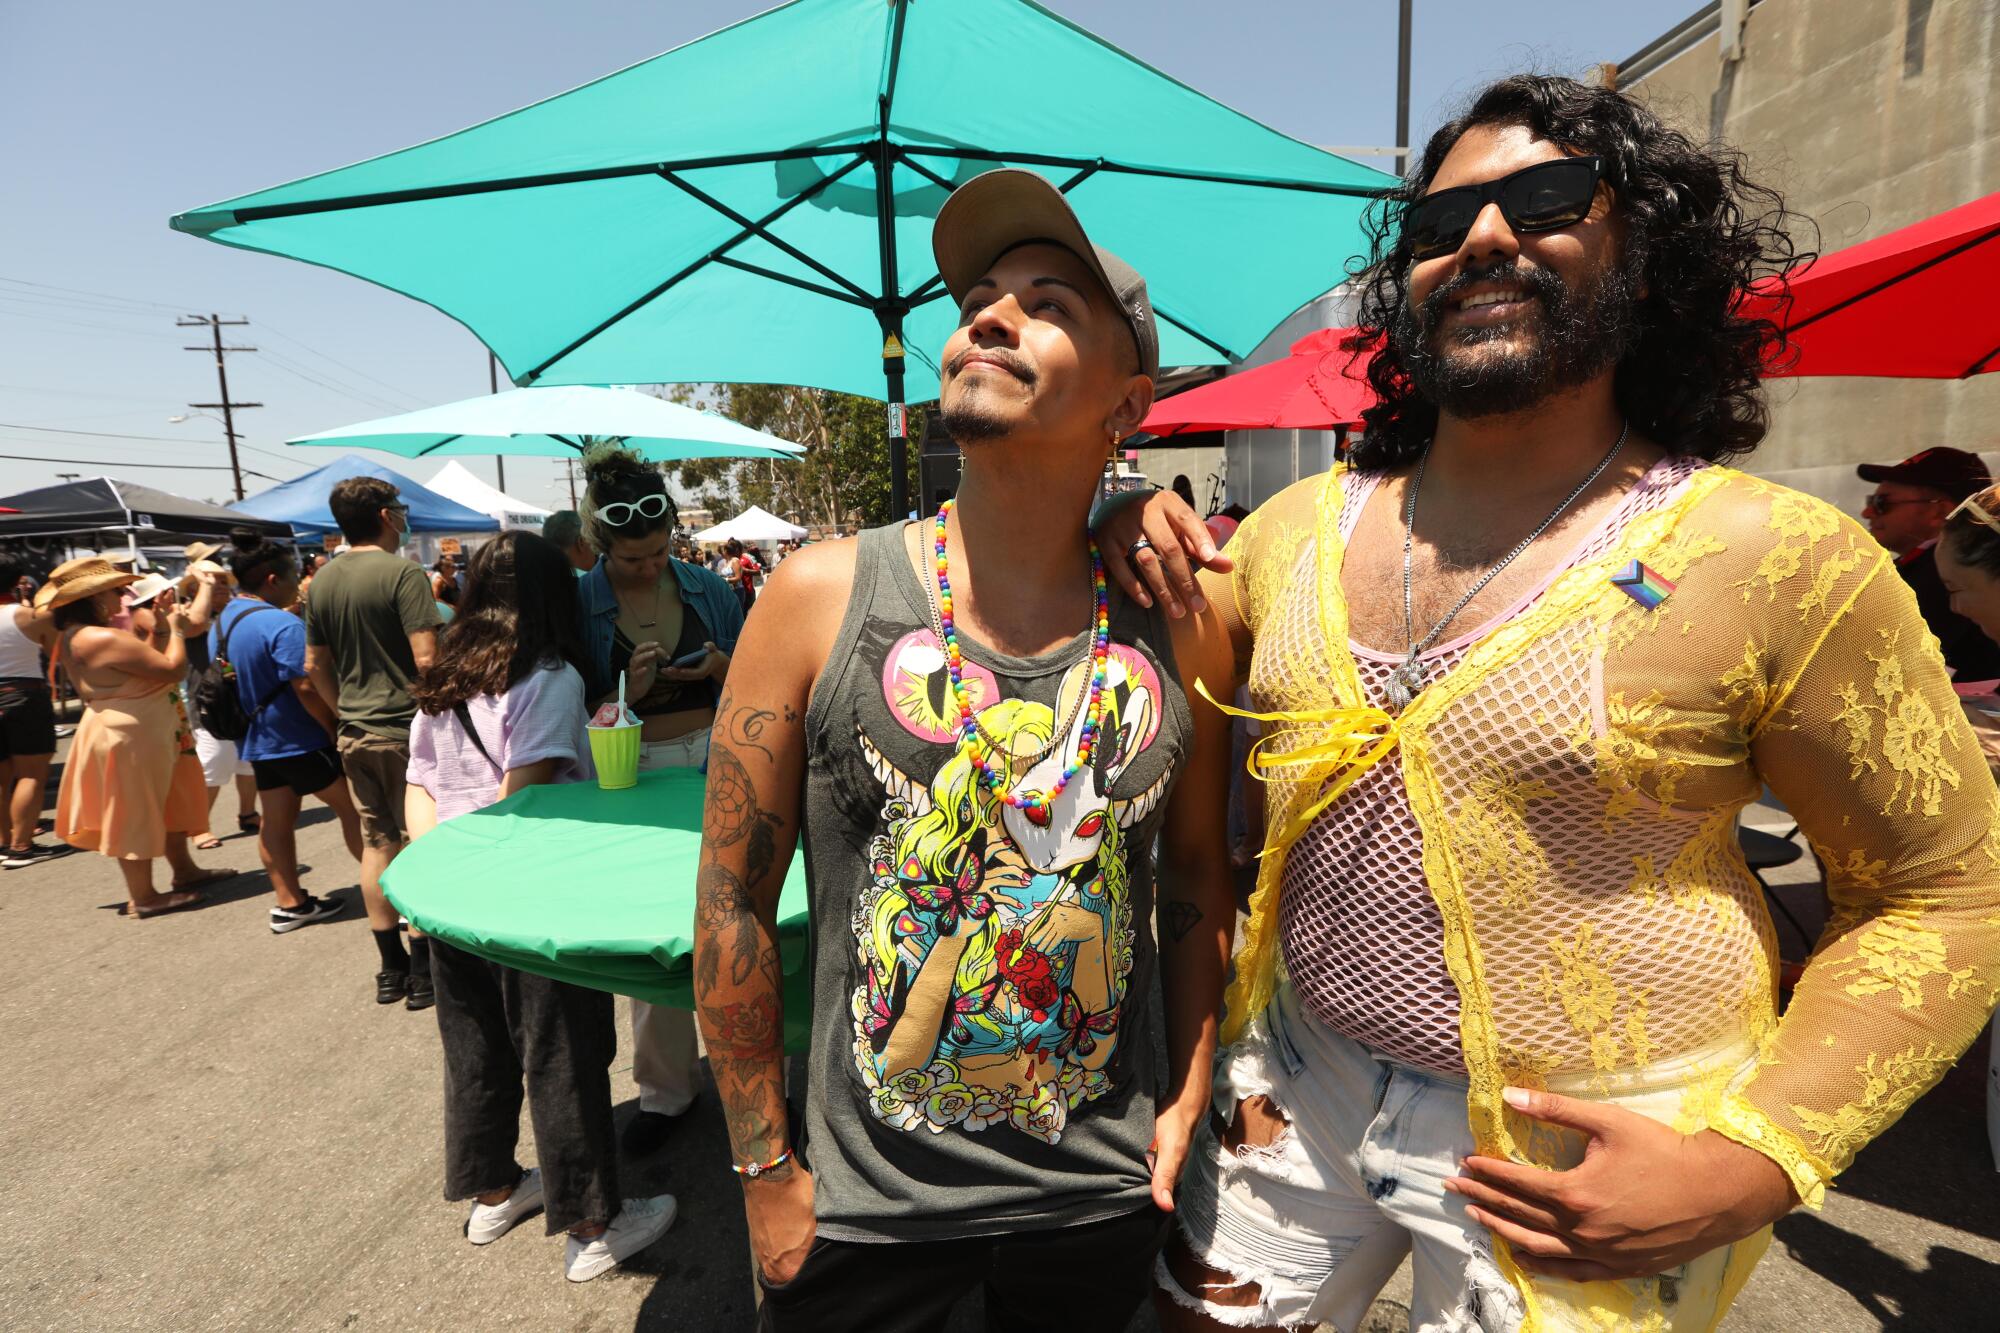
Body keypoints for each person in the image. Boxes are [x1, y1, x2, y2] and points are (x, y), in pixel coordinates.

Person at [1098, 74, 2000, 1332]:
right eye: (1436, 220)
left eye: (1544, 198)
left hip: (1595, 1146)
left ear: (1646, 250)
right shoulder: (1290, 533)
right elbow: (1154, 671)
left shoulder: (1773, 558)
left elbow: (1946, 893)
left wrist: (1754, 1160)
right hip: (1290, 1078)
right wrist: (1114, 506)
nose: (1478, 237)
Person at [692, 169, 1235, 1332]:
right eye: (978, 295)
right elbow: (731, 905)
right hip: (863, 1221)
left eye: (1047, 303)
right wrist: (761, 1174)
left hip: (1095, 1202)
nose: (988, 314)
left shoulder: (1179, 620)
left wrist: (1188, 1093)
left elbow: (1193, 873)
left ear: (1127, 405)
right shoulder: (817, 595)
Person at [407, 530, 678, 1282]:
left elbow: (420, 784)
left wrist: (429, 874)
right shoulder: (549, 676)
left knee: (476, 1048)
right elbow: (518, 800)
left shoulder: (445, 679)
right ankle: (596, 1223)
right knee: (564, 1052)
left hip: (447, 895)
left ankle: (494, 1188)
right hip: (529, 899)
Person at [576, 444, 743, 1155]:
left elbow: (759, 677)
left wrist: (721, 666)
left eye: (659, 553)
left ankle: (752, 1069)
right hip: (631, 768)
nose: (650, 568)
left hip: (713, 755)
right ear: (597, 542)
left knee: (735, 915)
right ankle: (664, 1089)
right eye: (633, 560)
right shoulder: (581, 600)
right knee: (654, 933)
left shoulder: (708, 588)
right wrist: (626, 694)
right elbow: (568, 702)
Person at [304, 477, 443, 1007]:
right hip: (408, 729)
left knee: (377, 844)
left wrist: (344, 713)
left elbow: (314, 666)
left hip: (354, 732)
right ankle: (426, 968)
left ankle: (391, 970)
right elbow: (427, 659)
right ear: (386, 516)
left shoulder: (321, 581)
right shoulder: (403, 573)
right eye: (401, 510)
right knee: (420, 843)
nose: (405, 518)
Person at [45, 558, 232, 916]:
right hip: (131, 734)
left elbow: (148, 658)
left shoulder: (79, 634)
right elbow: (172, 669)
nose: (123, 595)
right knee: (136, 809)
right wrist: (176, 628)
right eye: (116, 589)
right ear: (96, 596)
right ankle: (143, 896)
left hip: (143, 729)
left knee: (169, 799)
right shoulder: (99, 636)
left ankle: (184, 871)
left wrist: (161, 626)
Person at [213, 535, 364, 936]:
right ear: (273, 578)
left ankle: (290, 903)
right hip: (301, 738)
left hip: (258, 742)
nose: (299, 583)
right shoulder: (281, 623)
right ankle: (387, 893)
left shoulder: (225, 621)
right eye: (294, 575)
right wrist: (333, 725)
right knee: (355, 811)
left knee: (276, 820)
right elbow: (307, 685)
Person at [1855, 446, 2000, 685]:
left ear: (1939, 511)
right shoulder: (1921, 568)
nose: (1867, 511)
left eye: (1882, 502)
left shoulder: (1939, 575)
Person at [176, 558, 261, 850]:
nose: (220, 586)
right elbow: (193, 627)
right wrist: (204, 589)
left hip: (240, 699)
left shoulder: (233, 613)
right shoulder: (185, 614)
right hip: (209, 702)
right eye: (211, 581)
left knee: (247, 762)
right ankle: (199, 825)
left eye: (223, 581)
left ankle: (248, 813)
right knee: (211, 763)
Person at [0, 557, 68, 868]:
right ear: (17, 581)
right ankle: (21, 846)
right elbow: (60, 651)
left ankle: (4, 843)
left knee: (2, 777)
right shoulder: (30, 616)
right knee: (31, 773)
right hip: (24, 694)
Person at [543, 510, 595, 574]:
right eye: (592, 541)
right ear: (581, 542)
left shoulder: (541, 577)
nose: (595, 550)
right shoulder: (592, 582)